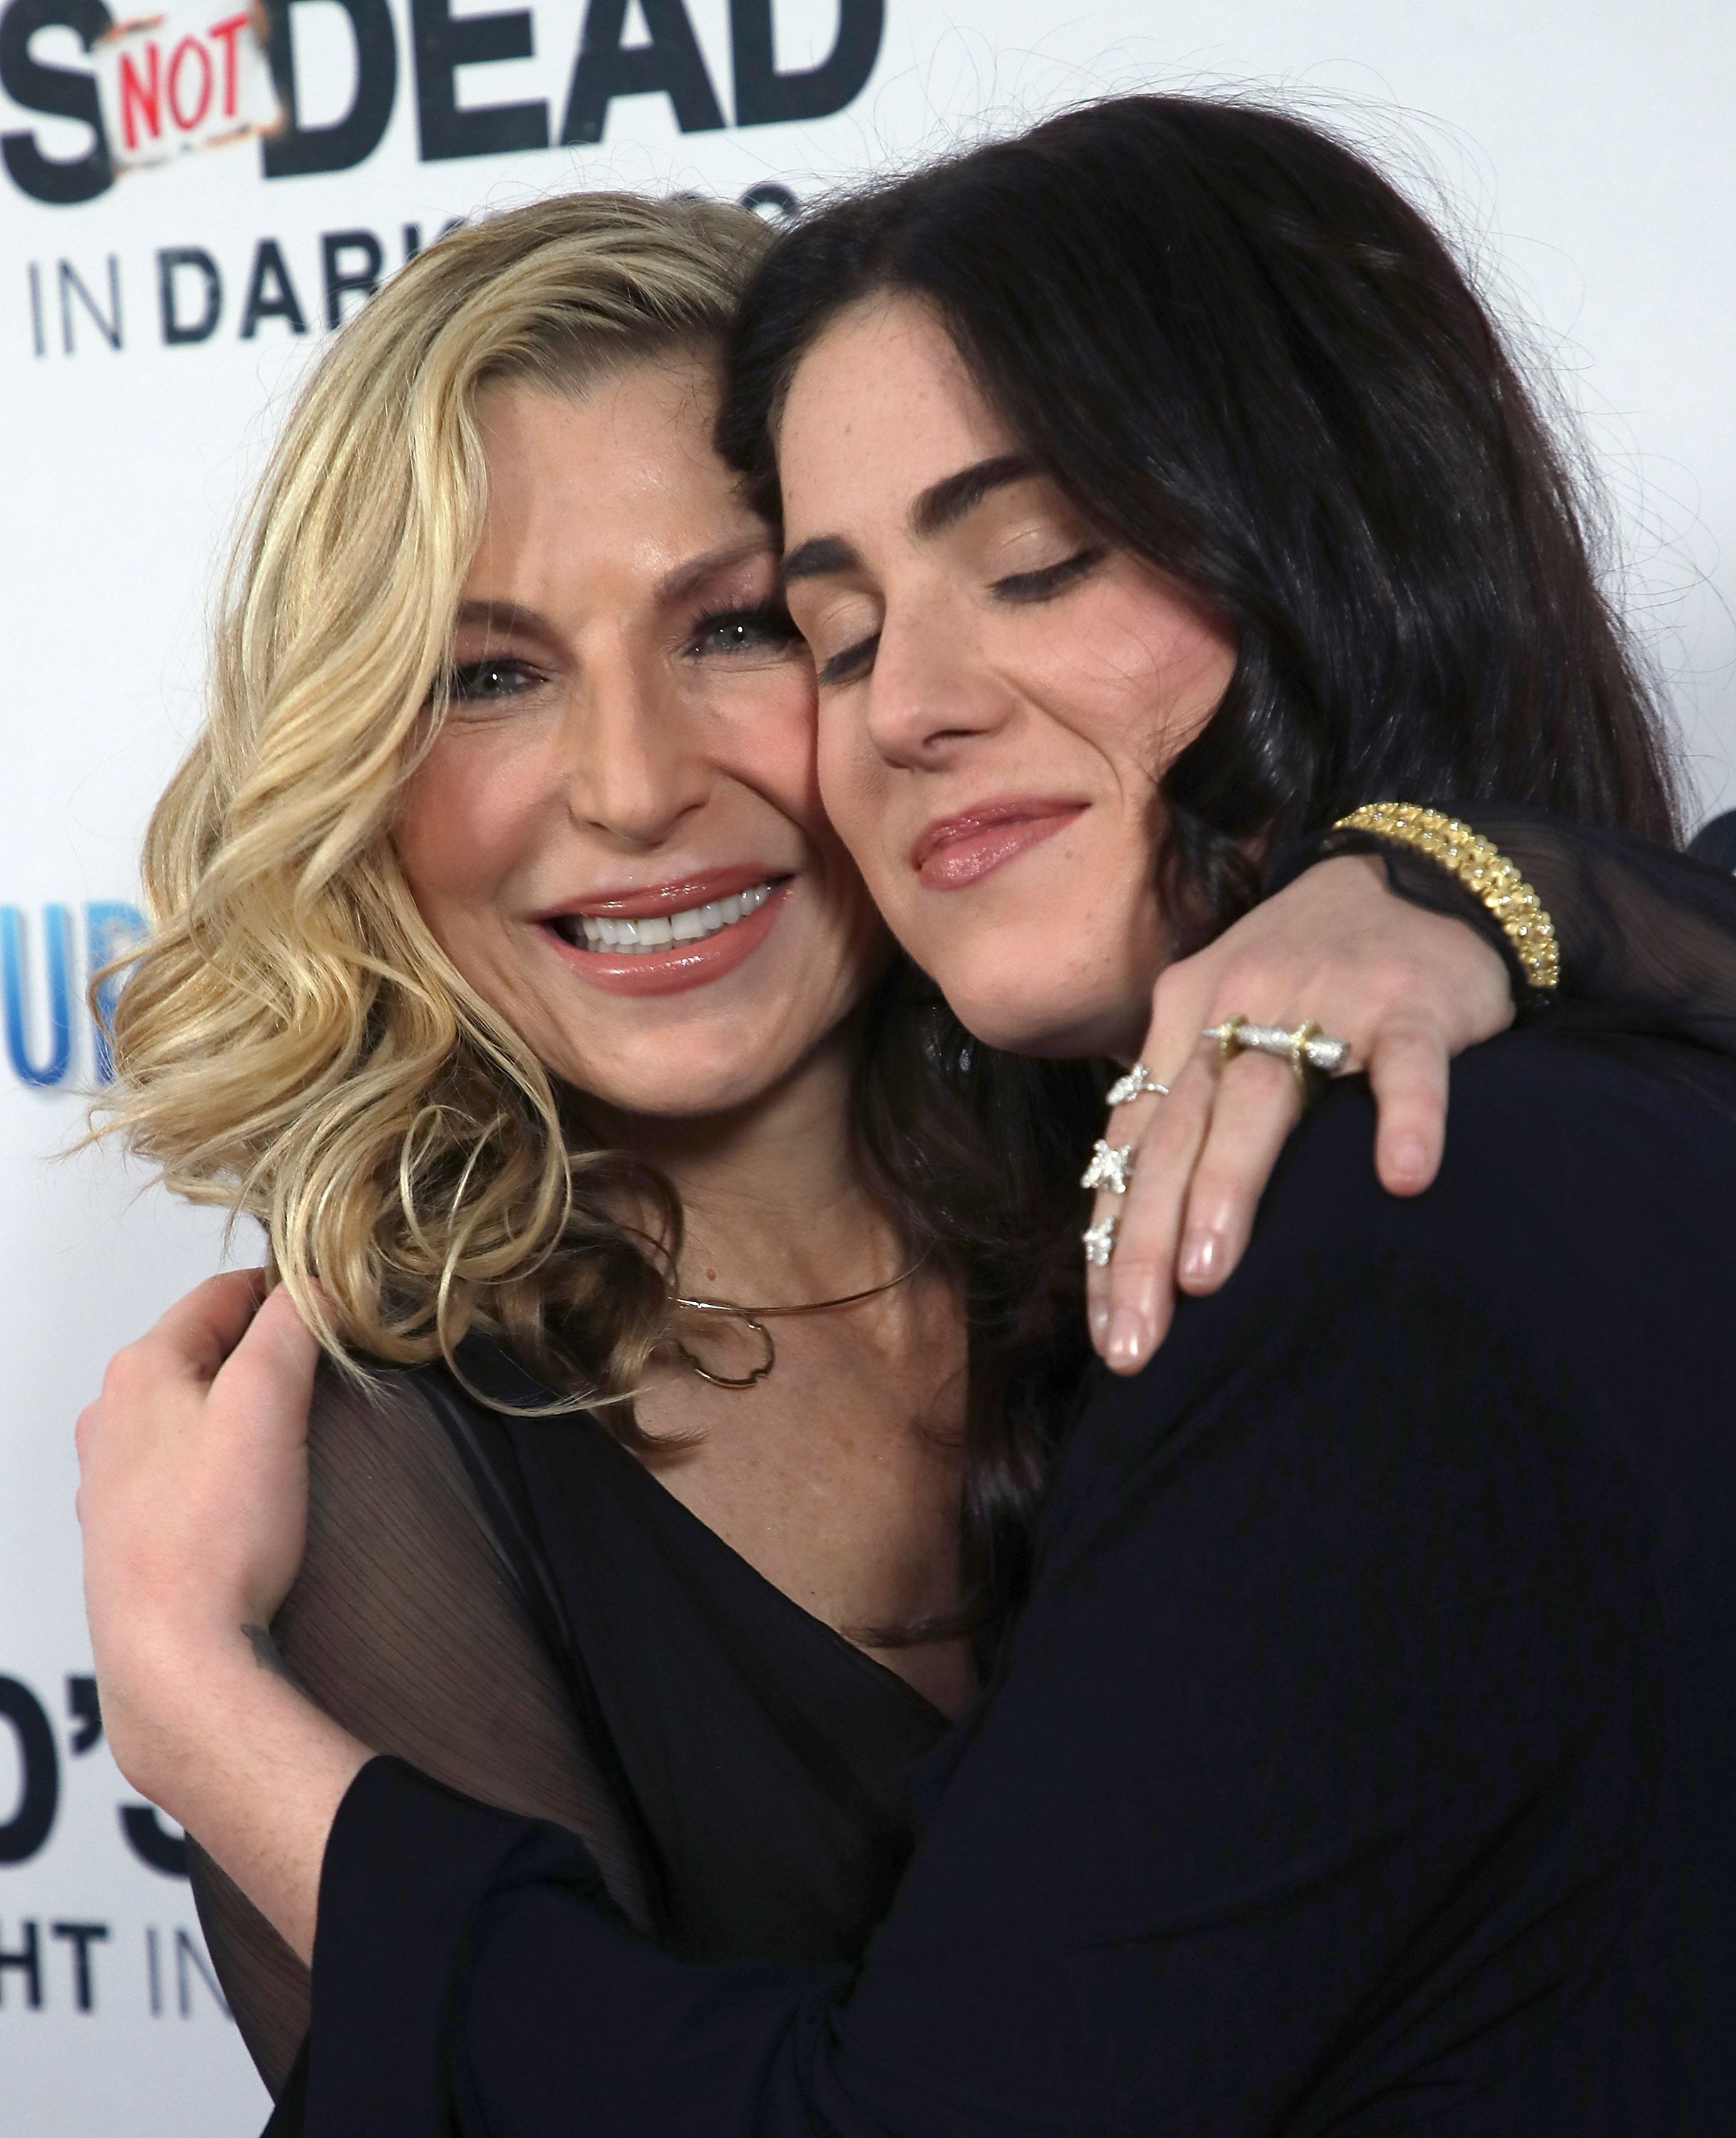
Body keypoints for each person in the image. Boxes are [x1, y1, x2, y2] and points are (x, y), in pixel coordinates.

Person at [79, 98, 1736, 2131]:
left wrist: (1471, 883)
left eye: (748, 627)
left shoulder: (1235, 1149)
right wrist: (194, 1701)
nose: (627, 782)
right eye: (487, 675)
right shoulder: (364, 1475)